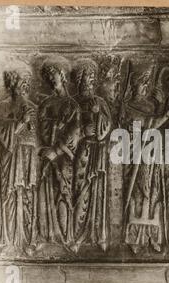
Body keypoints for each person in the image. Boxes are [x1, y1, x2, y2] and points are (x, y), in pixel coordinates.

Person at [122, 64, 169, 254]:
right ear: (134, 85)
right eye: (142, 83)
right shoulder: (128, 108)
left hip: (151, 155)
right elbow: (149, 125)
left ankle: (152, 236)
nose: (145, 87)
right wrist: (167, 115)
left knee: (154, 194)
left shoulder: (148, 105)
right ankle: (134, 237)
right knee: (140, 194)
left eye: (147, 83)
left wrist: (162, 109)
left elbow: (152, 127)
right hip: (135, 155)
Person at [34, 56, 81, 246]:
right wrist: (46, 148)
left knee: (63, 192)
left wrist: (58, 150)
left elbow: (75, 132)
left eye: (54, 76)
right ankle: (47, 236)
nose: (52, 80)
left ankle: (66, 237)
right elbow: (40, 130)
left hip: (64, 157)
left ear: (62, 76)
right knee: (46, 193)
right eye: (48, 77)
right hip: (47, 155)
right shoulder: (45, 105)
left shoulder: (72, 106)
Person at [0, 66, 38, 255]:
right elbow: (1, 133)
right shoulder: (3, 107)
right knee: (10, 195)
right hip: (11, 157)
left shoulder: (32, 107)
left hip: (28, 157)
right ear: (12, 85)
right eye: (20, 84)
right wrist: (20, 123)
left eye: (25, 85)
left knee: (28, 194)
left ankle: (29, 239)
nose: (23, 88)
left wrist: (30, 124)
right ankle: (9, 239)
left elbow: (37, 135)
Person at [71, 58, 113, 252]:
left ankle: (98, 235)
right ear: (79, 79)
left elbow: (108, 127)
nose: (90, 80)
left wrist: (99, 119)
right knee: (80, 191)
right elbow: (67, 128)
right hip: (79, 153)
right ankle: (77, 234)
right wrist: (82, 131)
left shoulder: (100, 102)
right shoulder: (74, 102)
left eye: (92, 77)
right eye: (87, 76)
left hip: (98, 151)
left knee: (97, 192)